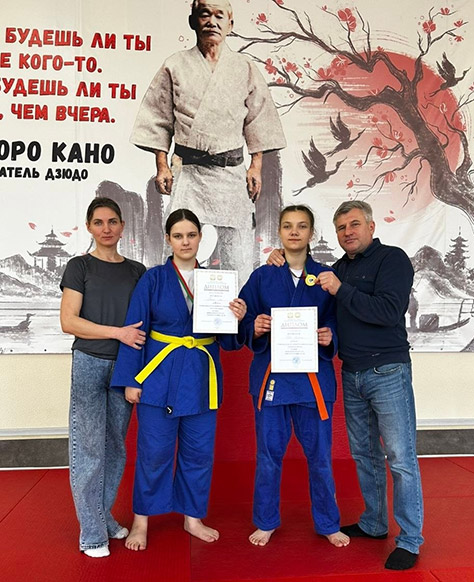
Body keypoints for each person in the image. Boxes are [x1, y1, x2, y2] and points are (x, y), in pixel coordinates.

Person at [110, 208, 247, 550]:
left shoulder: (216, 282)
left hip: (201, 377)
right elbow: (135, 329)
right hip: (158, 375)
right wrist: (130, 379)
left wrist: (237, 318)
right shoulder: (153, 279)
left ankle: (192, 517)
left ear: (200, 238)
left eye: (191, 235)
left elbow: (228, 342)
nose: (185, 242)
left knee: (199, 452)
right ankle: (141, 519)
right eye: (178, 236)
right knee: (153, 452)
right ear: (168, 239)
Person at [130, 0, 286, 284]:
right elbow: (158, 117)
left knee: (237, 251)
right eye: (204, 15)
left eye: (219, 16)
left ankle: (239, 307)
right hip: (189, 172)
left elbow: (258, 119)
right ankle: (178, 304)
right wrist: (162, 165)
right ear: (193, 22)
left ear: (230, 24)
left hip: (230, 171)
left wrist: (256, 165)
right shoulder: (175, 65)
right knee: (181, 244)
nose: (212, 22)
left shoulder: (244, 67)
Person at [316, 200, 424, 571]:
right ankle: (374, 523)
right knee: (364, 455)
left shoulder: (392, 259)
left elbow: (388, 312)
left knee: (400, 458)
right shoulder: (337, 269)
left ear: (371, 226)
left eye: (354, 224)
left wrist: (341, 290)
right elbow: (334, 318)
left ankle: (409, 540)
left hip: (388, 371)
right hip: (351, 373)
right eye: (341, 227)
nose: (348, 232)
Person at [239, 205, 350, 548]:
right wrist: (254, 326)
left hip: (312, 381)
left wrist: (331, 334)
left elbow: (340, 319)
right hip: (272, 378)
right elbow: (243, 316)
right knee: (268, 455)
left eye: (302, 226)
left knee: (320, 457)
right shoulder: (263, 275)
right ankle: (266, 520)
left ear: (311, 233)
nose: (294, 232)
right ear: (279, 232)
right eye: (287, 226)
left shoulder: (327, 277)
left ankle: (328, 522)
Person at [60, 197, 146, 558]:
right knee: (89, 449)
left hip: (125, 367)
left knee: (115, 449)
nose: (106, 228)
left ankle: (102, 516)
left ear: (122, 227)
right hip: (89, 363)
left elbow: (147, 321)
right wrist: (117, 333)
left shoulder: (137, 270)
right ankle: (92, 534)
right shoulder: (79, 266)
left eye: (112, 222)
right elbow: (69, 322)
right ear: (89, 227)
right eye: (98, 222)